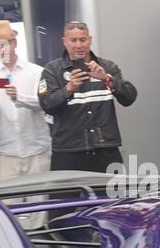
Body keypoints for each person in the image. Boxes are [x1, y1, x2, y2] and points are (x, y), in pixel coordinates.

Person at [39, 20, 138, 173]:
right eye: (73, 40)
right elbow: (46, 105)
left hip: (105, 149)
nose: (79, 45)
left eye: (83, 40)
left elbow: (129, 97)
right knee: (67, 197)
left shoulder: (108, 67)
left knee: (115, 196)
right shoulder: (51, 70)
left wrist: (106, 79)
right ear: (64, 42)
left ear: (90, 40)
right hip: (68, 151)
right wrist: (68, 89)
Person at [0, 21, 50, 184]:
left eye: (5, 43)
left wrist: (19, 98)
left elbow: (45, 103)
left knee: (38, 203)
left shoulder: (36, 71)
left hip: (36, 149)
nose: (2, 48)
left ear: (14, 43)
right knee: (8, 204)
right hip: (5, 151)